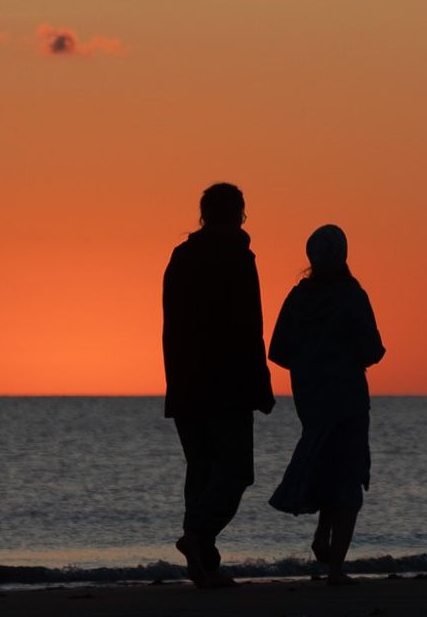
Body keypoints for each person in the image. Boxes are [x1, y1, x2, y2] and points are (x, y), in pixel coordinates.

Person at [162, 182, 275, 588]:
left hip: (188, 385)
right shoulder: (238, 258)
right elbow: (250, 328)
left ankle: (202, 566)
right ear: (239, 214)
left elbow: (170, 330)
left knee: (202, 470)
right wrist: (260, 385)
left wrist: (174, 385)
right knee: (235, 472)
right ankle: (197, 539)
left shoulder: (182, 257)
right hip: (227, 386)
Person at [267, 224, 385, 586]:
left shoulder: (297, 298)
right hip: (347, 396)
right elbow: (373, 349)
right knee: (347, 474)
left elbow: (278, 351)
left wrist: (310, 367)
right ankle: (335, 568)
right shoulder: (351, 294)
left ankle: (322, 538)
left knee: (324, 462)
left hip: (311, 398)